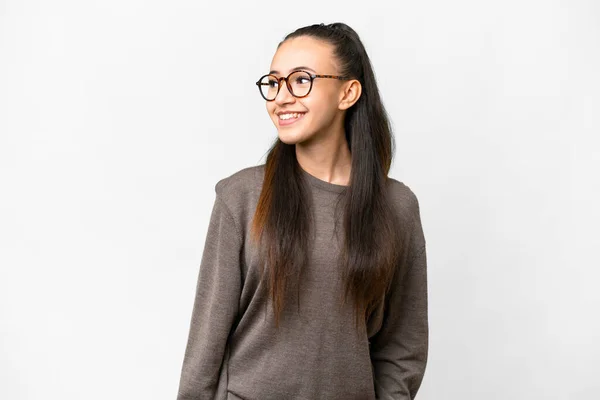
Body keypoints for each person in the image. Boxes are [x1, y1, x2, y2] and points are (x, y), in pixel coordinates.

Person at [176, 22, 428, 400]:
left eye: (301, 80)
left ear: (348, 92)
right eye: (274, 83)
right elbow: (205, 347)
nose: (281, 97)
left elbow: (402, 349)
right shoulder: (241, 197)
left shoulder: (397, 208)